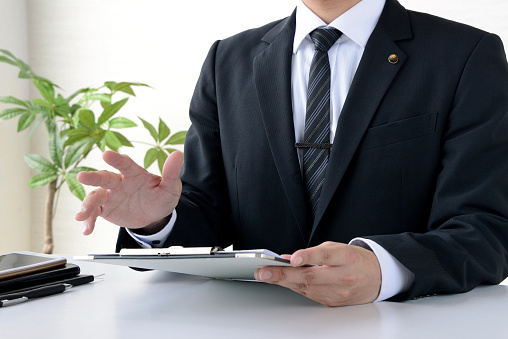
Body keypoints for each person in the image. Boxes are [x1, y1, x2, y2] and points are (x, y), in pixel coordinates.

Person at [75, 0, 508, 307]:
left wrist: (385, 270)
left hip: (400, 322)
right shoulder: (228, 59)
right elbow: (208, 214)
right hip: (247, 322)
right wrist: (156, 221)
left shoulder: (466, 54)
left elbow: (487, 228)